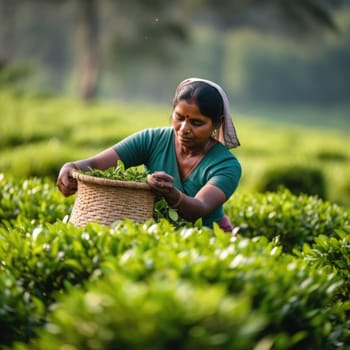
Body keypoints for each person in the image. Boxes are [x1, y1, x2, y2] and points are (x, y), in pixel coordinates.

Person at [57, 77, 241, 232]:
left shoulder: (226, 165)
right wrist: (70, 167)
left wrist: (171, 193)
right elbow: (96, 164)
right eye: (179, 117)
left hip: (207, 237)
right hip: (157, 231)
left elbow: (199, 208)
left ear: (217, 124)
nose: (184, 129)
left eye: (196, 123)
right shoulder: (152, 139)